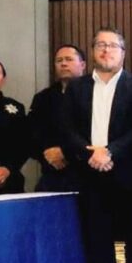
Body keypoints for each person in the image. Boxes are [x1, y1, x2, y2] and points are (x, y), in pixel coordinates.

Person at [60, 28, 132, 263]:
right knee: (96, 239)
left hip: (128, 173)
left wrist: (110, 152)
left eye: (112, 45)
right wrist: (90, 153)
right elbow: (66, 129)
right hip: (89, 172)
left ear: (123, 53)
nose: (106, 50)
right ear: (92, 52)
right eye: (100, 45)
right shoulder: (76, 88)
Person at [29, 45, 87, 192]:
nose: (63, 64)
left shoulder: (94, 94)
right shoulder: (43, 97)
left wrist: (66, 153)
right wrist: (48, 153)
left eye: (69, 59)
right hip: (51, 170)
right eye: (59, 60)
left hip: (86, 170)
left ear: (82, 65)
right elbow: (33, 131)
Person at [0, 58, 28, 196]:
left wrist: (8, 169)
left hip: (10, 178)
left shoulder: (15, 108)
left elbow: (24, 143)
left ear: (3, 79)